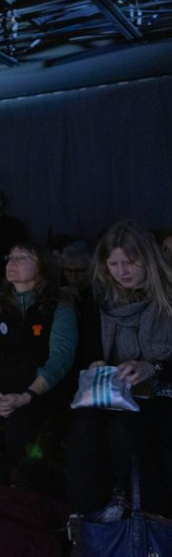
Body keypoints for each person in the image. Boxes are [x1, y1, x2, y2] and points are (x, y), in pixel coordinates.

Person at [66, 220, 172, 518]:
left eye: (130, 262)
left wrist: (154, 367)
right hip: (114, 388)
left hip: (161, 391)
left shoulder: (168, 296)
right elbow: (88, 348)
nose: (122, 271)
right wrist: (95, 363)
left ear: (148, 260)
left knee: (125, 430)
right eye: (114, 263)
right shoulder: (101, 297)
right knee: (84, 422)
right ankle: (87, 511)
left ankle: (139, 506)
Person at [0, 242, 77, 465]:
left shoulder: (59, 304)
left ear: (41, 266)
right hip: (2, 391)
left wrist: (26, 396)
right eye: (10, 258)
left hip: (43, 393)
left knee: (20, 429)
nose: (12, 263)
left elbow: (60, 358)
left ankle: (28, 488)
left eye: (22, 258)